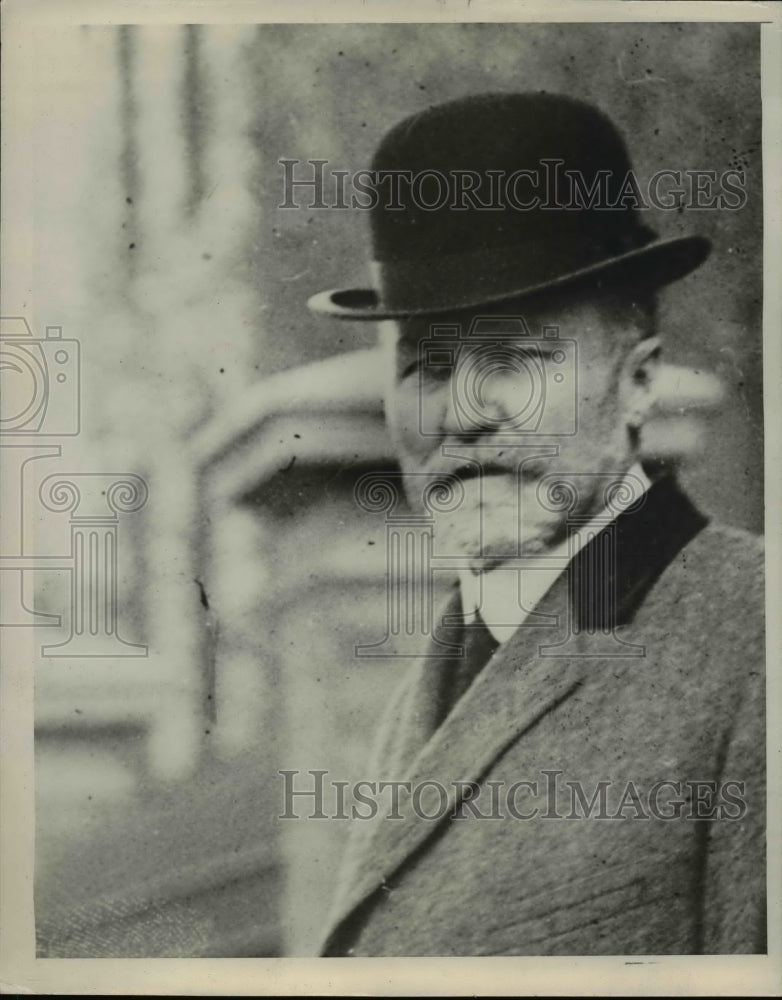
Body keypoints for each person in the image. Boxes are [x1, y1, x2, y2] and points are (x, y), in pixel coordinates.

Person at [307, 93, 765, 956]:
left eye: (514, 359)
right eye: (428, 366)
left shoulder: (754, 639)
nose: (463, 413)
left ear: (637, 382)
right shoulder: (430, 688)